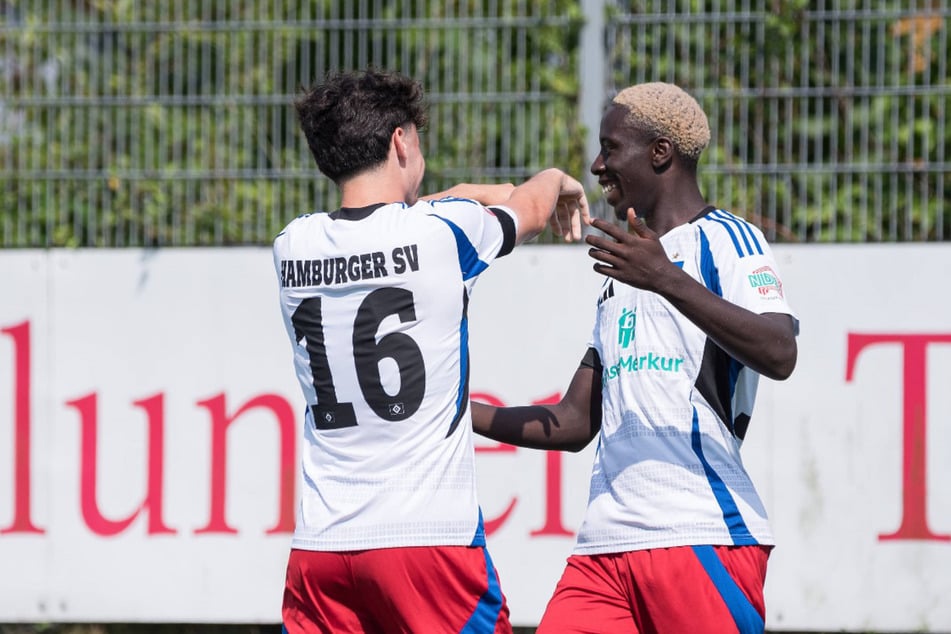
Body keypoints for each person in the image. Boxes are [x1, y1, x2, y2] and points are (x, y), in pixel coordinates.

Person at [471, 82, 799, 634]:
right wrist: (456, 411)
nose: (598, 165)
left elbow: (780, 350)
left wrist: (665, 279)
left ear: (660, 153)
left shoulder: (726, 241)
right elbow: (575, 422)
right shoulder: (624, 274)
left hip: (699, 534)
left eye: (611, 147)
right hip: (604, 550)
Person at [273, 68, 589, 634]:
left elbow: (424, 210)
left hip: (321, 548)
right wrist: (555, 176)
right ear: (400, 140)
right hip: (426, 545)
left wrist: (461, 196)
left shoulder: (292, 245)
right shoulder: (443, 234)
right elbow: (531, 210)